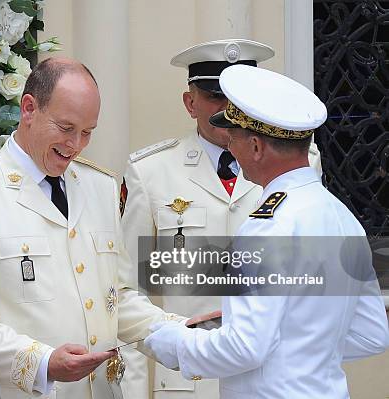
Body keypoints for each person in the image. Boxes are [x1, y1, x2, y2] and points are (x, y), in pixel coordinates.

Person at [0, 58, 201, 399]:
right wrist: (41, 362)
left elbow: (116, 297)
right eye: (65, 127)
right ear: (28, 108)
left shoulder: (99, 186)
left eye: (88, 132)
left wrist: (183, 332)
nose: (75, 144)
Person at [144, 64, 389, 399]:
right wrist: (296, 347)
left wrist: (174, 341)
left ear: (257, 147)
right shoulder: (341, 217)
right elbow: (372, 333)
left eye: (234, 139)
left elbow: (245, 349)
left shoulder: (265, 226)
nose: (231, 149)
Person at [119, 39, 321, 399]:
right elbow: (128, 293)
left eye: (239, 99)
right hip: (187, 384)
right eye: (216, 96)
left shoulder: (296, 163)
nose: (229, 111)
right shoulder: (150, 171)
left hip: (273, 381)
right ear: (190, 102)